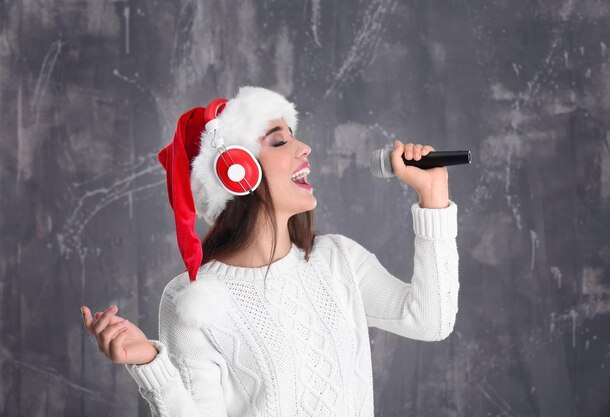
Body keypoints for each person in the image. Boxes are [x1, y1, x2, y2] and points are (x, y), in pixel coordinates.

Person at [81, 86, 459, 417]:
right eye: (279, 141)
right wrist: (151, 365)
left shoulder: (338, 260)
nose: (304, 148)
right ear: (236, 171)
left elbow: (429, 320)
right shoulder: (193, 300)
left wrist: (433, 195)